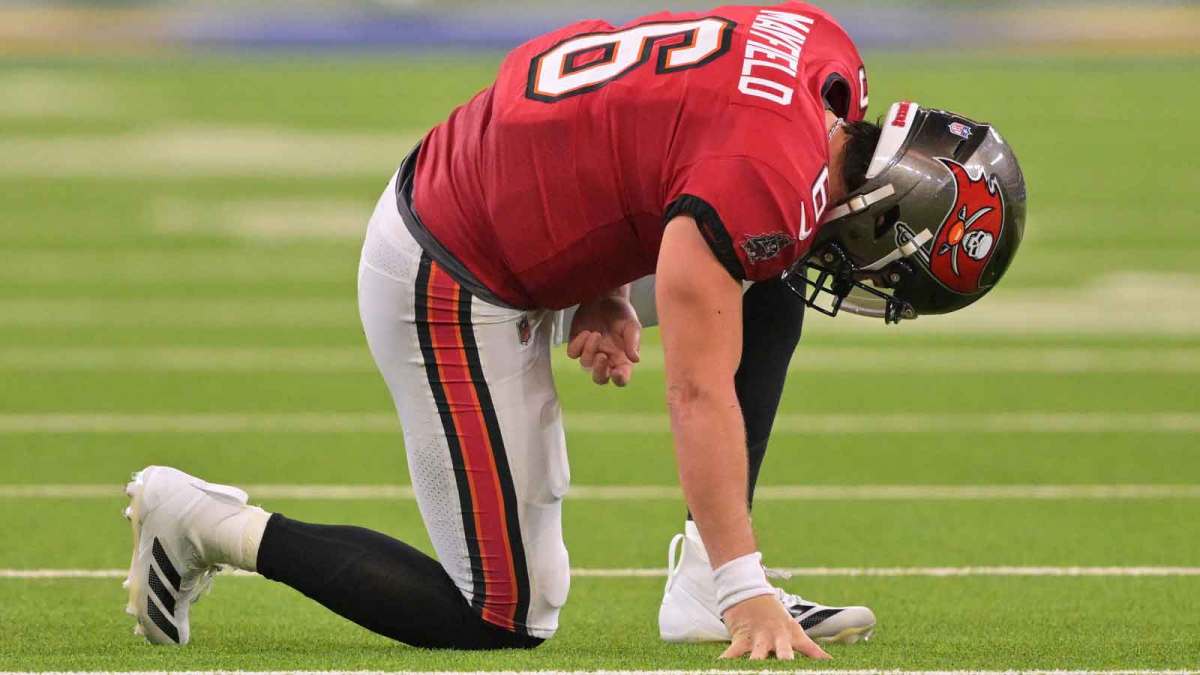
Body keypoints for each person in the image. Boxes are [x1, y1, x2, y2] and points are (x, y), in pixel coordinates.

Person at [120, 1, 1026, 661]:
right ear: (885, 214)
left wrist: (593, 275)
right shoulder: (763, 183)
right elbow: (696, 388)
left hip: (498, 180)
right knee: (502, 611)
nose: (869, 284)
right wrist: (753, 590)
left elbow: (639, 113)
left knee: (771, 269)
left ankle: (700, 586)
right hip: (449, 263)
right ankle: (205, 522)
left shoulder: (823, 54)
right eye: (891, 272)